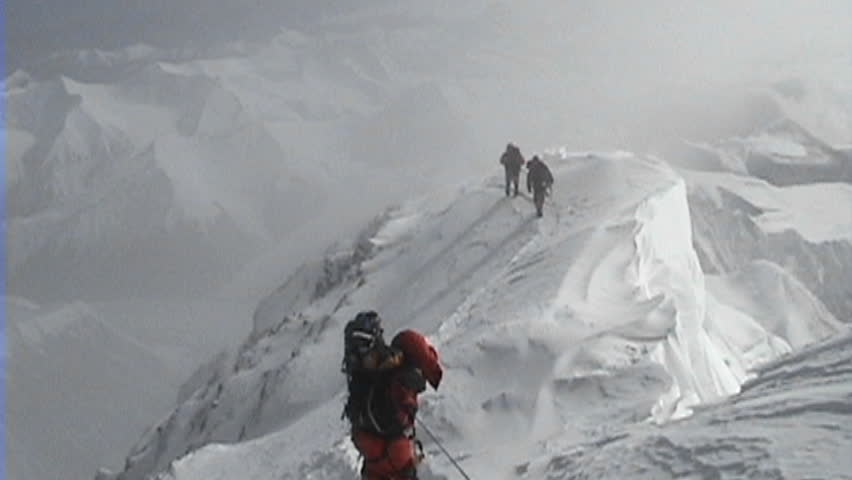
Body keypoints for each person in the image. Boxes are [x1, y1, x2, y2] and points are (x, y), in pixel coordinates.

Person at [342, 311, 443, 480]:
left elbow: (398, 417)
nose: (358, 356)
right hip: (377, 467)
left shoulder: (398, 372)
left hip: (399, 468)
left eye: (362, 347)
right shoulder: (363, 380)